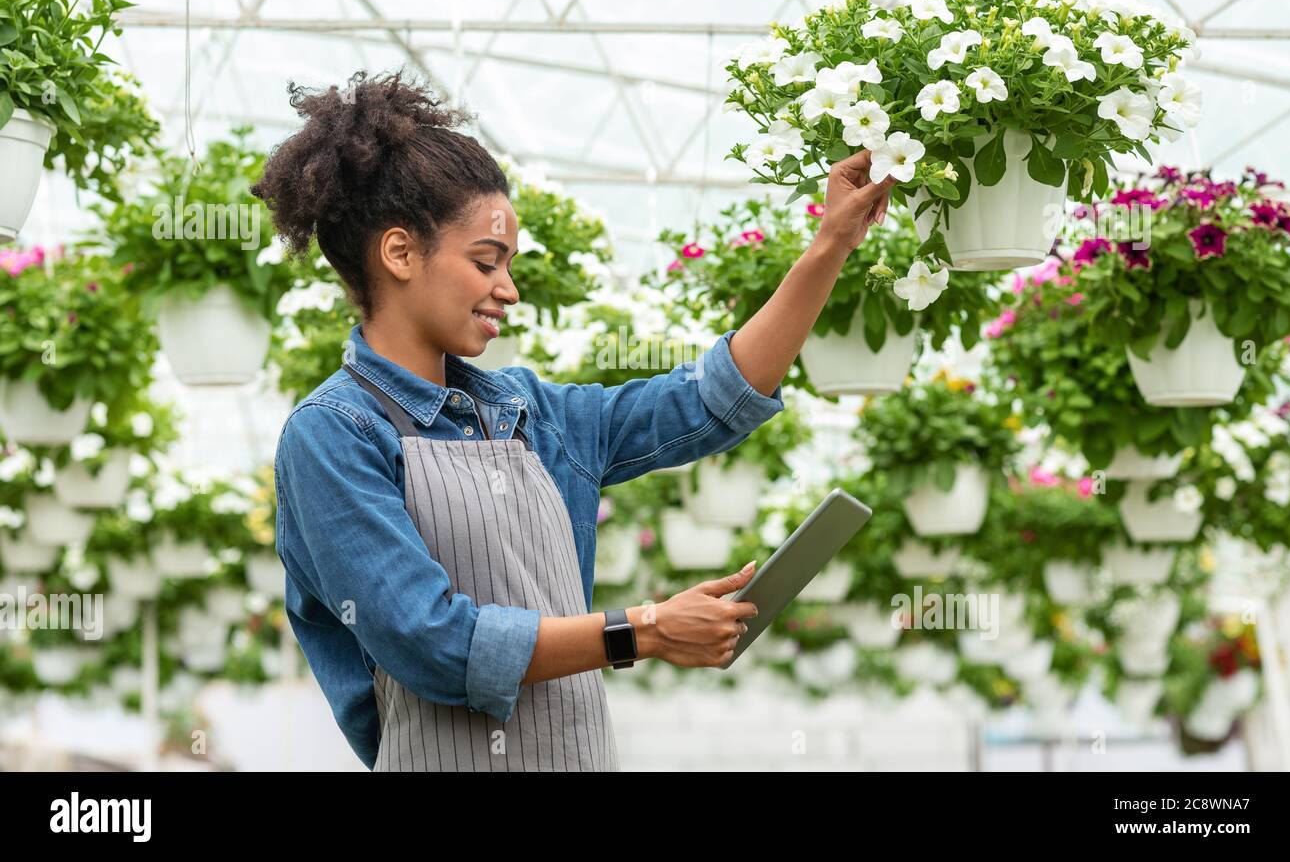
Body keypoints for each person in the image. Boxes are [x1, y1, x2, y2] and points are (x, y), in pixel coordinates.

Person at [255, 70, 894, 772]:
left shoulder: (533, 415)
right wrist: (643, 630)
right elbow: (432, 643)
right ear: (401, 253)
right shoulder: (334, 435)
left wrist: (831, 243)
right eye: (486, 261)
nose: (509, 287)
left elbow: (714, 397)